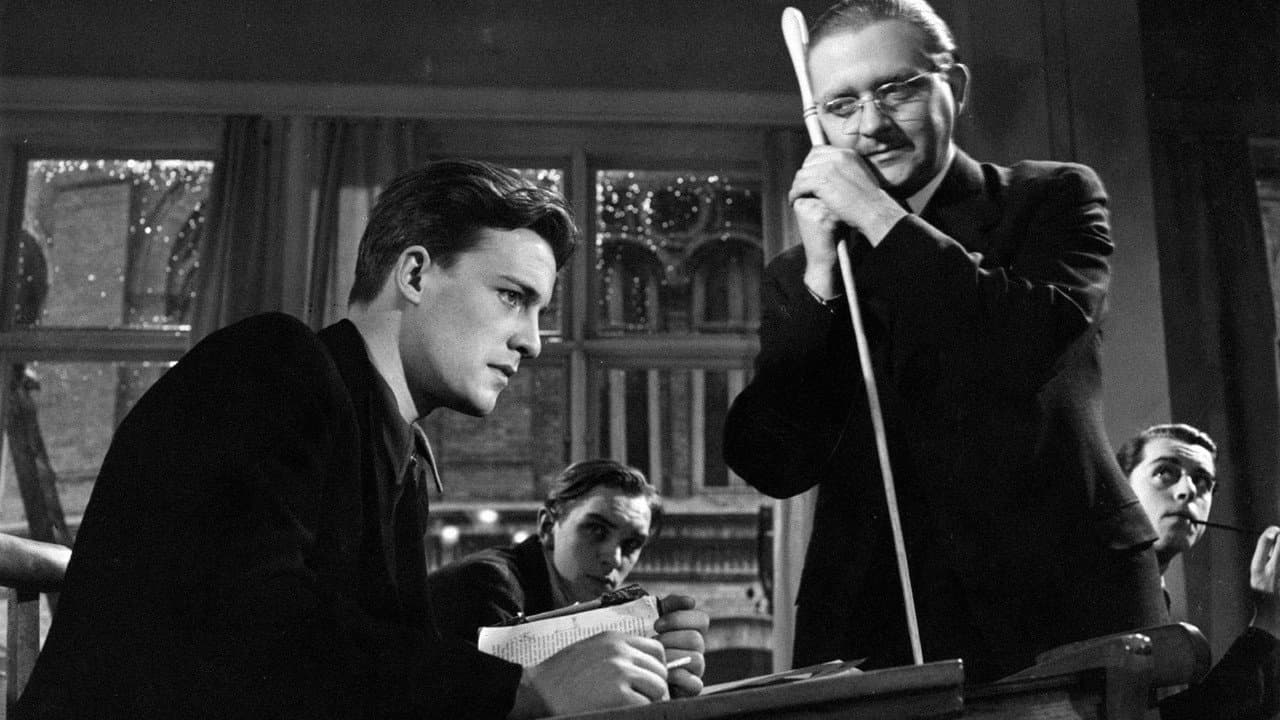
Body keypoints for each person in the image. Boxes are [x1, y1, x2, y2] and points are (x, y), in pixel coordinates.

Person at [16, 159, 706, 720]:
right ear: (414, 274)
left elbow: (373, 662)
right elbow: (255, 636)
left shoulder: (397, 455)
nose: (531, 341)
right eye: (512, 297)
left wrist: (604, 646)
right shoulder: (275, 363)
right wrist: (525, 690)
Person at [723, 0, 1165, 682]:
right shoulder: (803, 271)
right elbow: (775, 463)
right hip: (873, 622)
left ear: (953, 87)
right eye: (841, 105)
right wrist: (819, 282)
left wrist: (876, 215)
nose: (870, 124)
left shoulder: (1053, 198)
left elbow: (1022, 347)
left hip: (1058, 605)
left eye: (895, 90)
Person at [1116, 423, 1280, 720]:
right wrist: (1269, 618)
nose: (1189, 490)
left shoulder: (1158, 598)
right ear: (1122, 487)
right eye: (1165, 472)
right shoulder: (1098, 596)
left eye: (1202, 480)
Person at [430, 459, 660, 643]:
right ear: (548, 526)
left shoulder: (578, 606)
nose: (614, 558)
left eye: (632, 544)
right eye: (597, 530)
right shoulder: (485, 586)